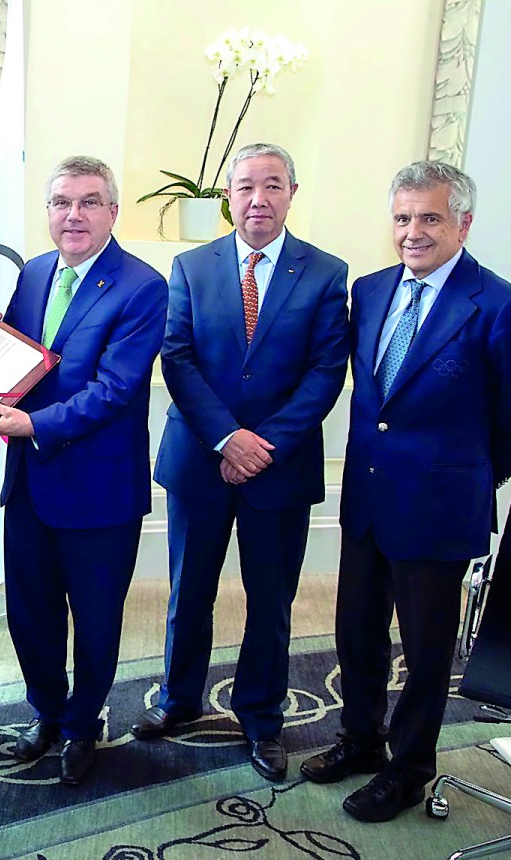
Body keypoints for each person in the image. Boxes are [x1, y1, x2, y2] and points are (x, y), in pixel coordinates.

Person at [302, 160, 511, 822]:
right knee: (357, 633)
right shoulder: (374, 289)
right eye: (403, 218)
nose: (412, 232)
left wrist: (472, 473)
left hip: (439, 510)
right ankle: (360, 741)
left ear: (464, 223)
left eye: (430, 218)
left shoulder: (500, 304)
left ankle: (409, 768)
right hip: (369, 501)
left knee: (426, 648)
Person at [132, 143, 350, 782]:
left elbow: (325, 371)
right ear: (229, 194)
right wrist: (228, 438)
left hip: (279, 467)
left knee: (272, 599)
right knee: (187, 592)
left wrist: (262, 445)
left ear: (292, 192)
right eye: (246, 186)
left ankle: (261, 718)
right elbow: (177, 357)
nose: (258, 199)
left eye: (273, 186)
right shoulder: (191, 265)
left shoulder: (326, 272)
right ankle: (178, 701)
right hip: (201, 460)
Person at [0, 156, 168, 785]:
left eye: (89, 202)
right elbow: (14, 361)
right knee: (30, 611)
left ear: (113, 212)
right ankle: (46, 714)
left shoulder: (142, 287)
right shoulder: (34, 274)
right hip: (31, 483)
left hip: (98, 489)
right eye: (62, 202)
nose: (74, 215)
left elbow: (116, 390)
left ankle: (84, 725)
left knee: (94, 620)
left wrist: (34, 425)